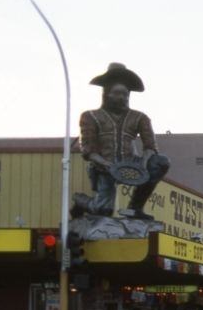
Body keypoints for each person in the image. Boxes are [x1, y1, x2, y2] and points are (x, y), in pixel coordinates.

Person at [72, 63, 169, 221]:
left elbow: (150, 146)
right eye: (117, 93)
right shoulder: (90, 116)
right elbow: (88, 150)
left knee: (161, 162)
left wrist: (144, 163)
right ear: (107, 94)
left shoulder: (140, 117)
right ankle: (81, 201)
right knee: (104, 211)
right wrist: (106, 164)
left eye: (125, 94)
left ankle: (135, 208)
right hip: (103, 165)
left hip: (131, 162)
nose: (122, 98)